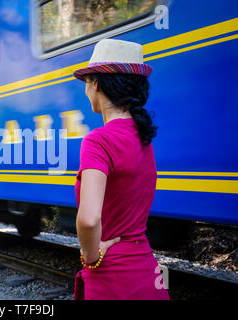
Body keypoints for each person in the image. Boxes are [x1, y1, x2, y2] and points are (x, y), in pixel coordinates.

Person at [72, 39, 170, 300]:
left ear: (96, 84)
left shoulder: (98, 140)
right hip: (148, 274)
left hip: (112, 278)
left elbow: (89, 219)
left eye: (86, 83)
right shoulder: (144, 139)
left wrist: (92, 257)